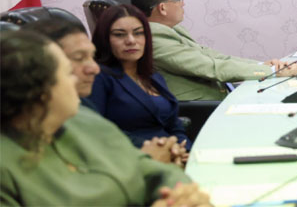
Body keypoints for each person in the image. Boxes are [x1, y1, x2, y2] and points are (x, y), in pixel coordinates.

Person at [0, 30, 210, 206]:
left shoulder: (85, 120)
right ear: (39, 91)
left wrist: (181, 194)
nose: (76, 81)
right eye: (68, 73)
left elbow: (151, 170)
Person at [24, 18, 187, 166]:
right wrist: (148, 159)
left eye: (91, 57)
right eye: (79, 58)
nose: (94, 69)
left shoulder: (82, 107)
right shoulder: (27, 139)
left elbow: (109, 140)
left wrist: (178, 150)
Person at [130, 0, 297, 101]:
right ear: (162, 8)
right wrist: (273, 72)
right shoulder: (154, 37)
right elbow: (211, 68)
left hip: (217, 97)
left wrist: (262, 66)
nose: (183, 3)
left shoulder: (172, 29)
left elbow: (214, 56)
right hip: (200, 108)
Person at [88, 4, 191, 153]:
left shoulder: (153, 76)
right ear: (105, 39)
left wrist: (184, 150)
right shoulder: (98, 78)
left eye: (138, 33)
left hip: (172, 156)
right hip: (133, 158)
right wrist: (161, 150)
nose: (131, 41)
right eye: (119, 35)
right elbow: (97, 131)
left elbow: (175, 126)